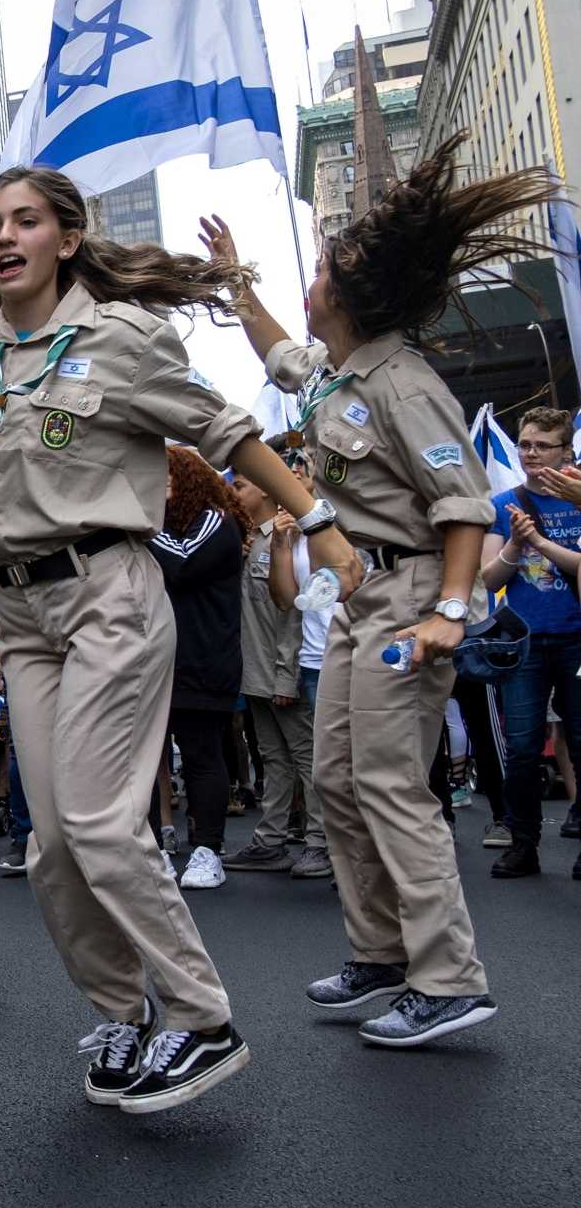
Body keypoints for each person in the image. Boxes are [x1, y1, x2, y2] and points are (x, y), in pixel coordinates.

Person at [0, 172, 360, 1110]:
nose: (3, 238)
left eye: (25, 222)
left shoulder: (121, 338)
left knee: (97, 819)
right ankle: (124, 1008)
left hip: (109, 594)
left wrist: (316, 517)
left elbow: (228, 431)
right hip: (27, 616)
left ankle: (204, 1018)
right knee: (50, 849)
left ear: (68, 239)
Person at [211, 134, 552, 1046]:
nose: (309, 285)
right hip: (358, 603)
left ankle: (449, 977)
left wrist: (450, 611)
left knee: (395, 783)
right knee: (338, 776)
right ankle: (382, 952)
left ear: (347, 298)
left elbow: (463, 501)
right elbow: (282, 355)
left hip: (407, 601)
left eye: (316, 273)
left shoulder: (404, 382)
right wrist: (238, 287)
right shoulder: (338, 375)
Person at [478, 406, 581, 879]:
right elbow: (487, 575)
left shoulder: (578, 498)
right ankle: (523, 843)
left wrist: (536, 540)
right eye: (525, 444)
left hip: (577, 636)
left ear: (566, 450)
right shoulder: (504, 504)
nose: (532, 453)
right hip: (525, 641)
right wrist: (515, 546)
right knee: (520, 748)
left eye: (543, 445)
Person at [149, 447, 246, 891]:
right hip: (152, 662)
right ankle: (153, 849)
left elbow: (183, 564)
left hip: (203, 660)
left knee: (202, 756)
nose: (159, 480)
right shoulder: (157, 528)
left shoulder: (215, 521)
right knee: (145, 763)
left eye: (168, 474)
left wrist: (138, 526)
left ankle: (208, 848)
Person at [224, 475, 329, 878]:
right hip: (256, 672)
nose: (234, 492)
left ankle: (320, 842)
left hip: (282, 673)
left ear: (266, 490)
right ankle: (271, 839)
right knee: (273, 758)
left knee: (308, 759)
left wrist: (287, 675)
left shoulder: (286, 539)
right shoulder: (253, 541)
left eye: (240, 486)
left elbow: (292, 615)